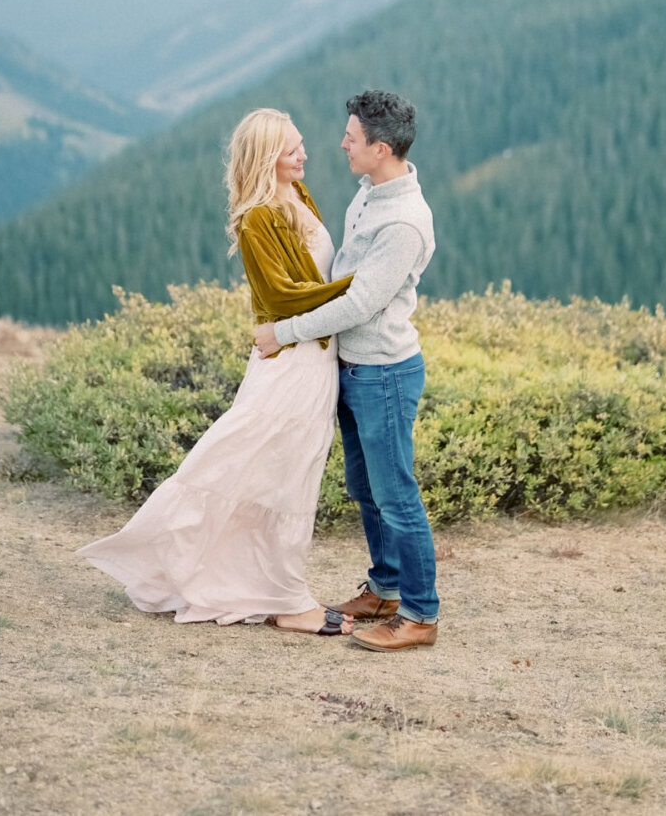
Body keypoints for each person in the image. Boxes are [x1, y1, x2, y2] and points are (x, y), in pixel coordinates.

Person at [77, 108, 355, 636]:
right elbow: (281, 296)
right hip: (289, 364)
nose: (304, 155)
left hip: (314, 358)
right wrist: (362, 289)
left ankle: (276, 590)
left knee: (285, 477)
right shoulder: (256, 218)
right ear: (268, 157)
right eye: (293, 149)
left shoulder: (299, 196)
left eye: (301, 146)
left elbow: (314, 275)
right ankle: (288, 601)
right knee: (264, 472)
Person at [254, 89, 439, 653]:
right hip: (355, 370)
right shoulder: (369, 193)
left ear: (381, 148)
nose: (342, 144)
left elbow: (360, 304)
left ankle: (420, 614)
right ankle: (384, 588)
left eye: (352, 139)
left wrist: (282, 332)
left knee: (396, 494)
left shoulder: (403, 222)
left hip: (384, 372)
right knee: (365, 487)